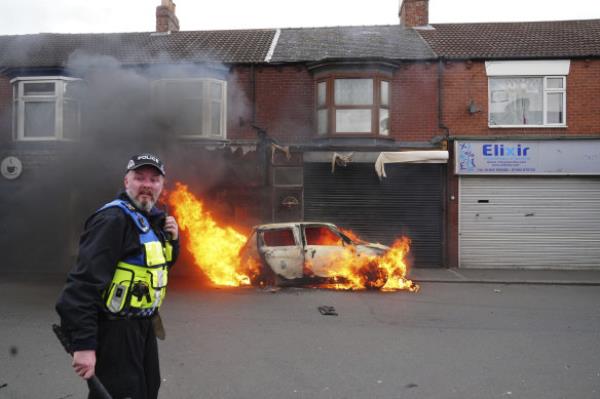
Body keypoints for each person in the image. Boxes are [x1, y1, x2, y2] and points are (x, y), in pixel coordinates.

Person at [56, 153, 180, 399]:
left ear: (162, 186)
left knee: (146, 391)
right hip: (116, 333)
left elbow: (156, 268)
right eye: (139, 178)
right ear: (126, 182)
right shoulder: (112, 219)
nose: (147, 184)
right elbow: (82, 285)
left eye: (154, 179)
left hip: (143, 329)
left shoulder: (152, 219)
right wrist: (84, 345)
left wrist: (174, 241)